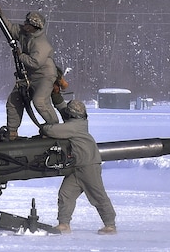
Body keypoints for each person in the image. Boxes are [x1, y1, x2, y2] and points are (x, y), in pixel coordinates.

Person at [40, 99, 117, 235]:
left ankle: (110, 225)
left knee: (97, 194)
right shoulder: (80, 123)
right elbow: (65, 111)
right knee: (66, 193)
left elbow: (52, 130)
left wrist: (44, 128)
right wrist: (57, 99)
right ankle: (64, 224)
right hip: (77, 166)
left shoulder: (73, 127)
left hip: (88, 165)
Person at [5, 10, 59, 138]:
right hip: (29, 76)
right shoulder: (25, 33)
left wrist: (21, 56)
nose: (24, 24)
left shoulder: (41, 43)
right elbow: (11, 28)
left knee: (39, 101)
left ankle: (54, 128)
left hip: (45, 76)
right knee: (14, 100)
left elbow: (35, 63)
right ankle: (12, 131)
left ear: (34, 27)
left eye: (27, 23)